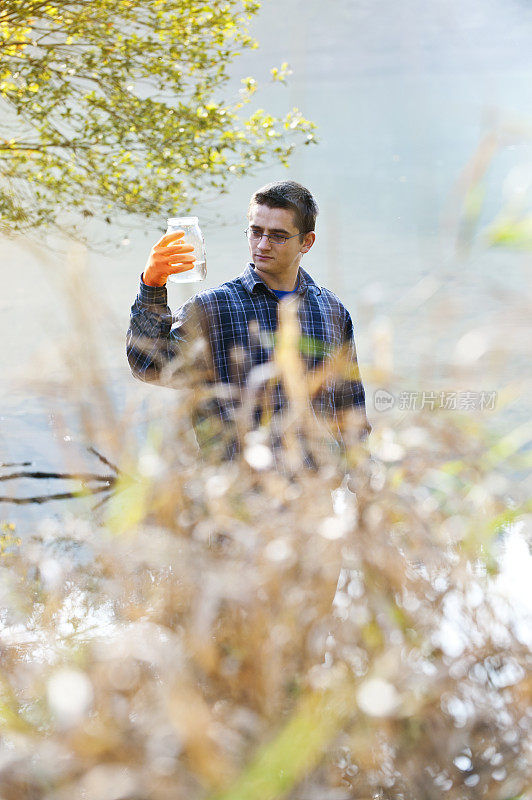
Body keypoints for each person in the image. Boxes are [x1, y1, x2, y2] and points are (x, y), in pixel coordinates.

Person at [127, 181, 370, 459]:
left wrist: (362, 476)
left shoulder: (332, 311)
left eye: (278, 236)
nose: (262, 244)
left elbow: (351, 407)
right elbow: (149, 367)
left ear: (307, 242)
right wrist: (152, 286)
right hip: (235, 492)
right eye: (256, 232)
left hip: (315, 492)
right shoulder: (211, 307)